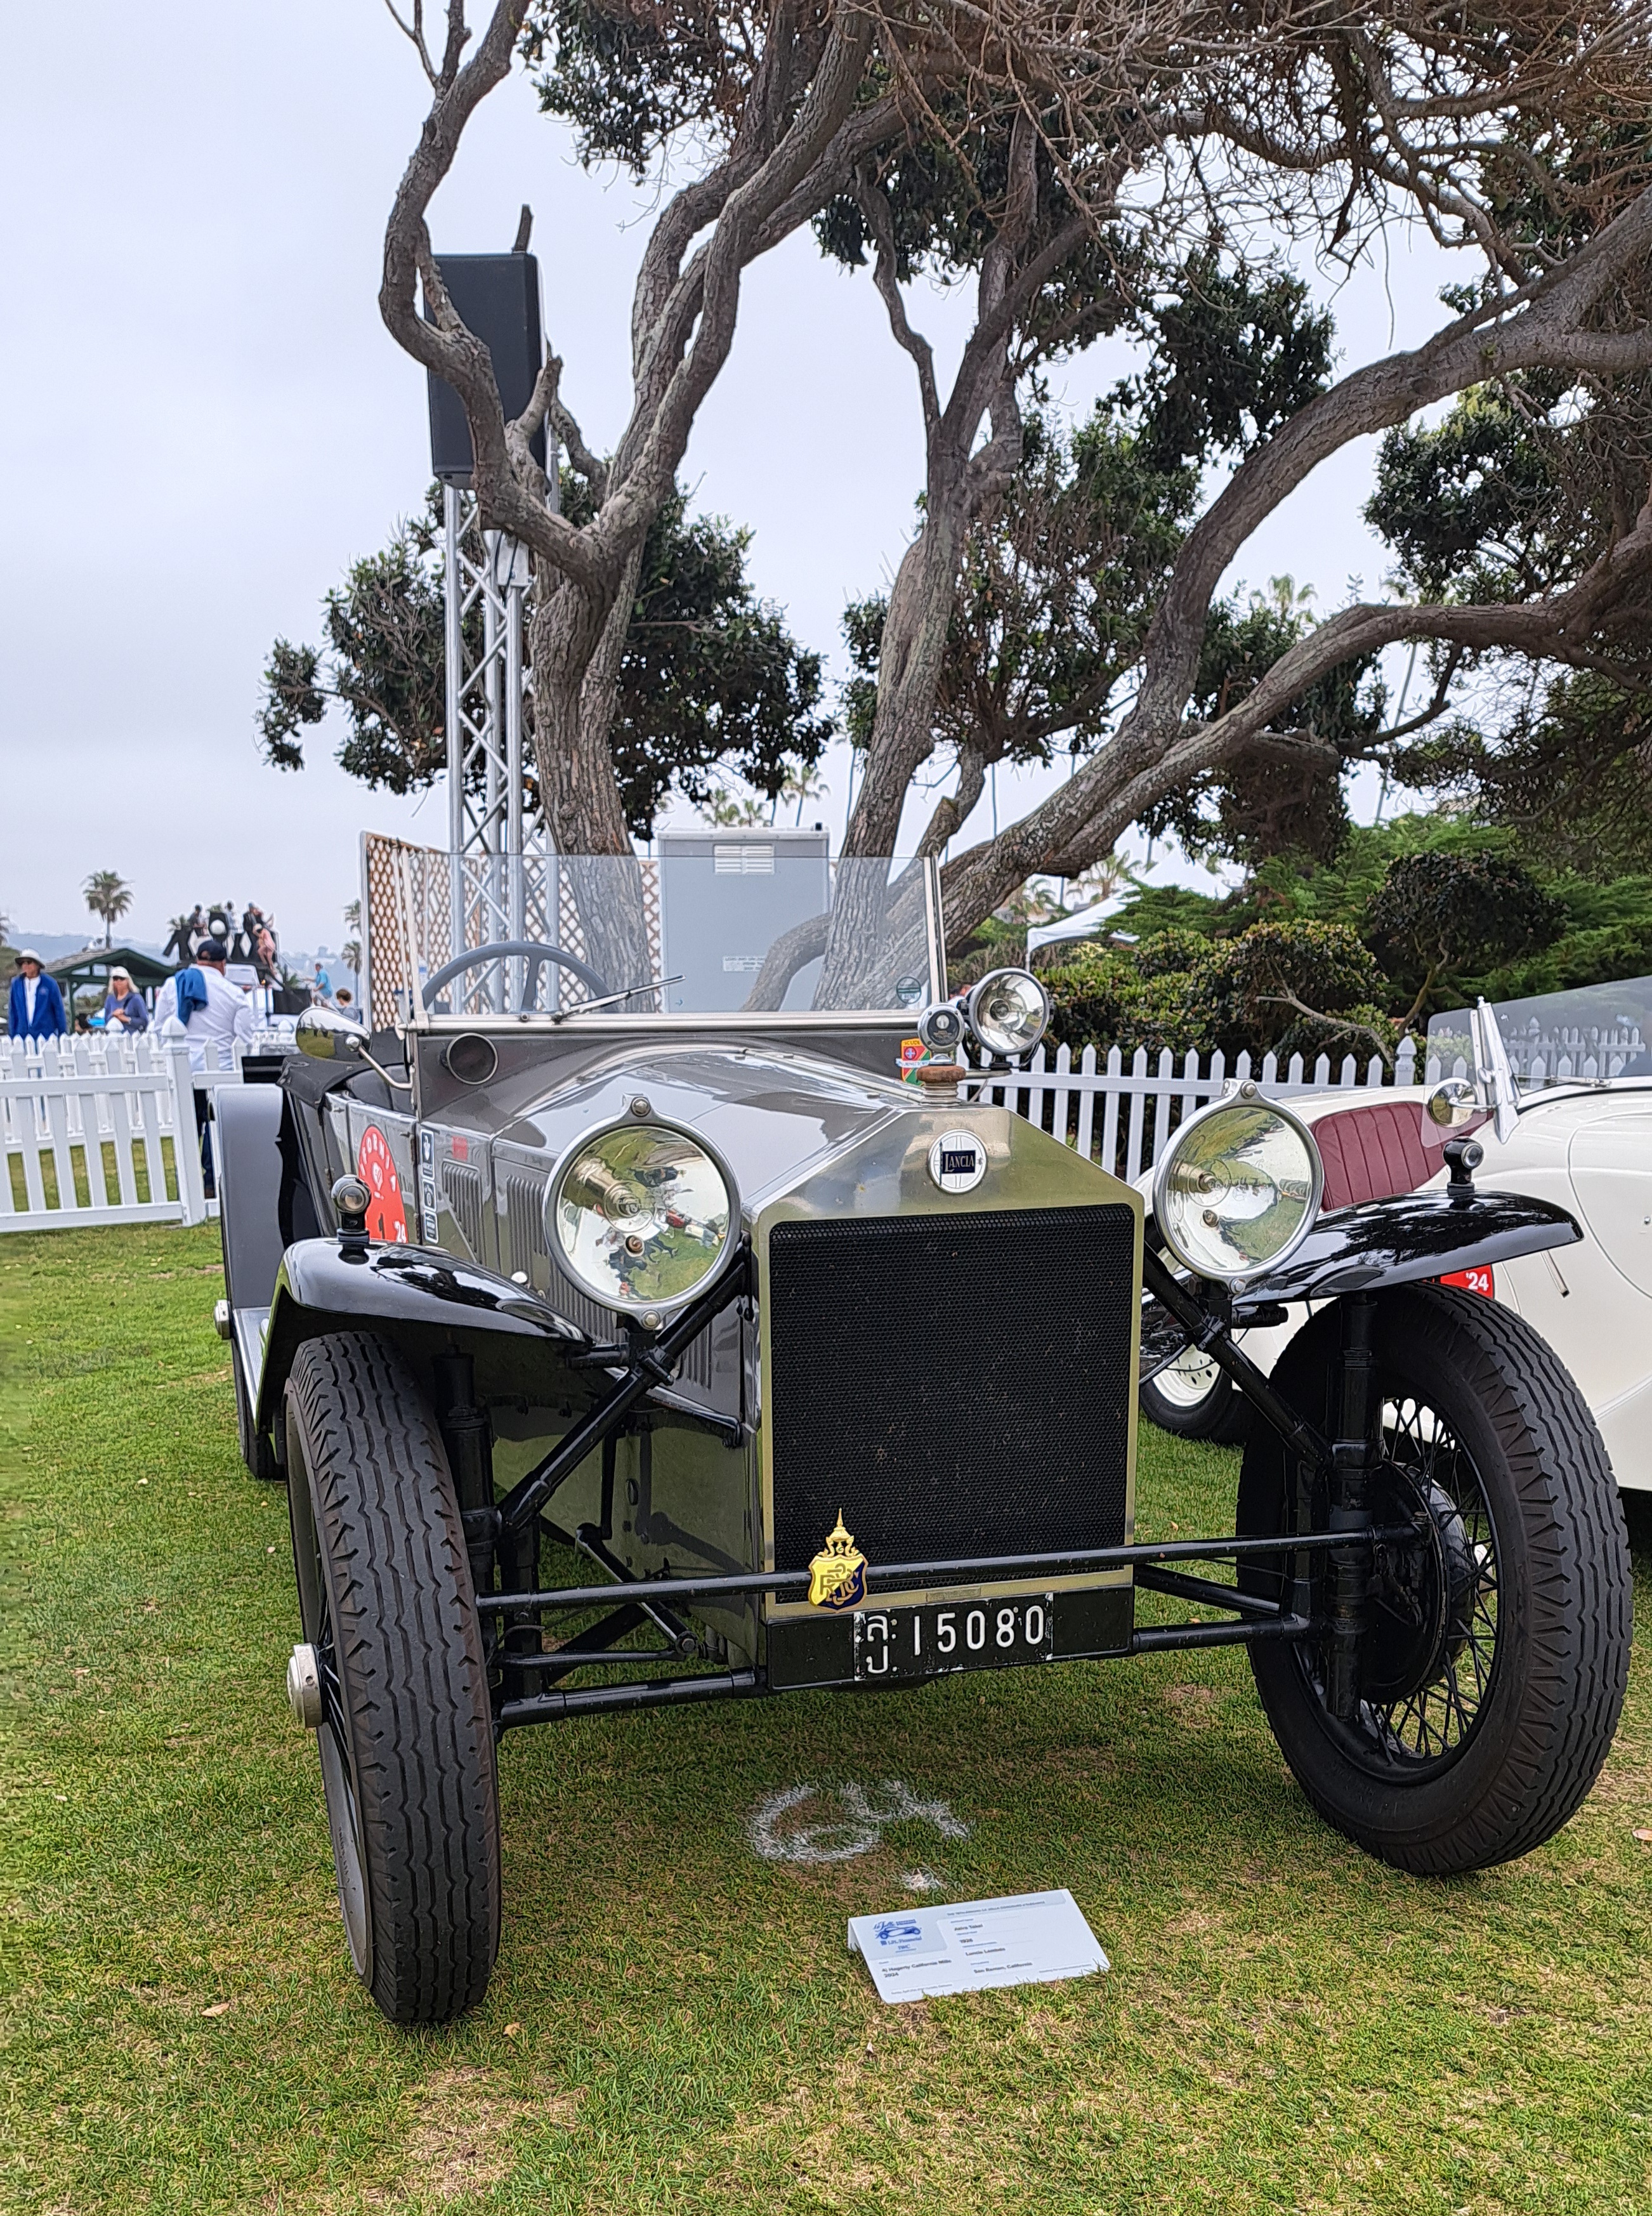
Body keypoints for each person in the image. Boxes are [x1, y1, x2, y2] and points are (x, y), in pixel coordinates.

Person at [166, 938, 253, 1197]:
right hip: (221, 1069)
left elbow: (160, 1025)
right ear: (222, 964)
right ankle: (209, 1182)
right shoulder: (234, 993)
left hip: (185, 1068)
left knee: (189, 1125)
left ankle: (187, 1182)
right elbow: (246, 1035)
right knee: (214, 1127)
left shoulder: (174, 985)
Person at [8, 951, 68, 1042]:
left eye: (29, 962)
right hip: (21, 1036)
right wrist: (13, 1035)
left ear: (37, 965)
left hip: (46, 1036)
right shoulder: (16, 984)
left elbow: (58, 1009)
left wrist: (62, 1033)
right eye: (23, 963)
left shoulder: (50, 984)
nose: (25, 965)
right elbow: (13, 1011)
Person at [102, 965, 149, 1033]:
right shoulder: (110, 999)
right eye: (115, 978)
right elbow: (106, 1021)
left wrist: (127, 1019)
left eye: (122, 978)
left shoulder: (137, 998)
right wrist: (113, 1014)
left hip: (133, 1039)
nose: (118, 981)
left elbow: (145, 1021)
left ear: (127, 980)